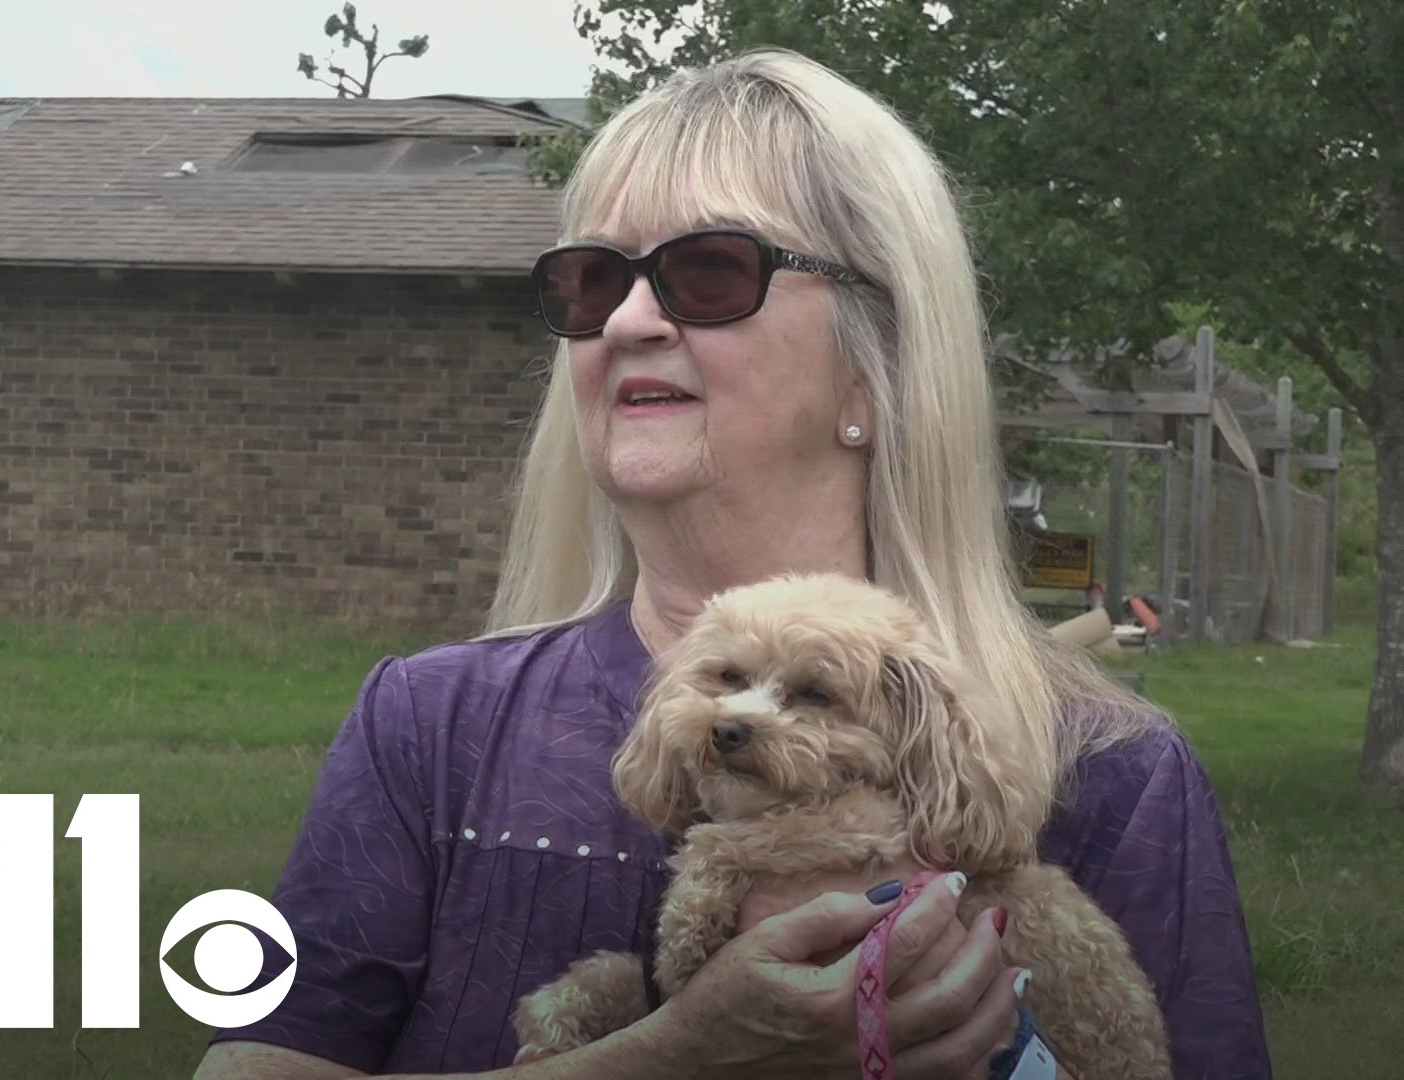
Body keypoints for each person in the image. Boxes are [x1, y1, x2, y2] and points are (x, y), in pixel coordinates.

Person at [194, 47, 1270, 1080]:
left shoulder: (1107, 770)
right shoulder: (430, 727)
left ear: (874, 370)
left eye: (709, 272)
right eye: (589, 280)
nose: (625, 319)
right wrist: (674, 1059)